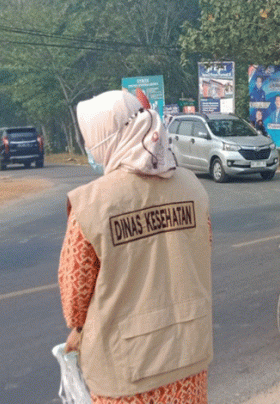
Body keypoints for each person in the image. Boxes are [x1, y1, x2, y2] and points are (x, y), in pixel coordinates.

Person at [58, 90, 213, 403]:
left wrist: (77, 330)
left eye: (91, 139)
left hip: (128, 369)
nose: (90, 147)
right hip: (188, 355)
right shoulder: (192, 187)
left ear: (104, 138)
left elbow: (75, 298)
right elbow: (201, 248)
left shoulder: (92, 205)